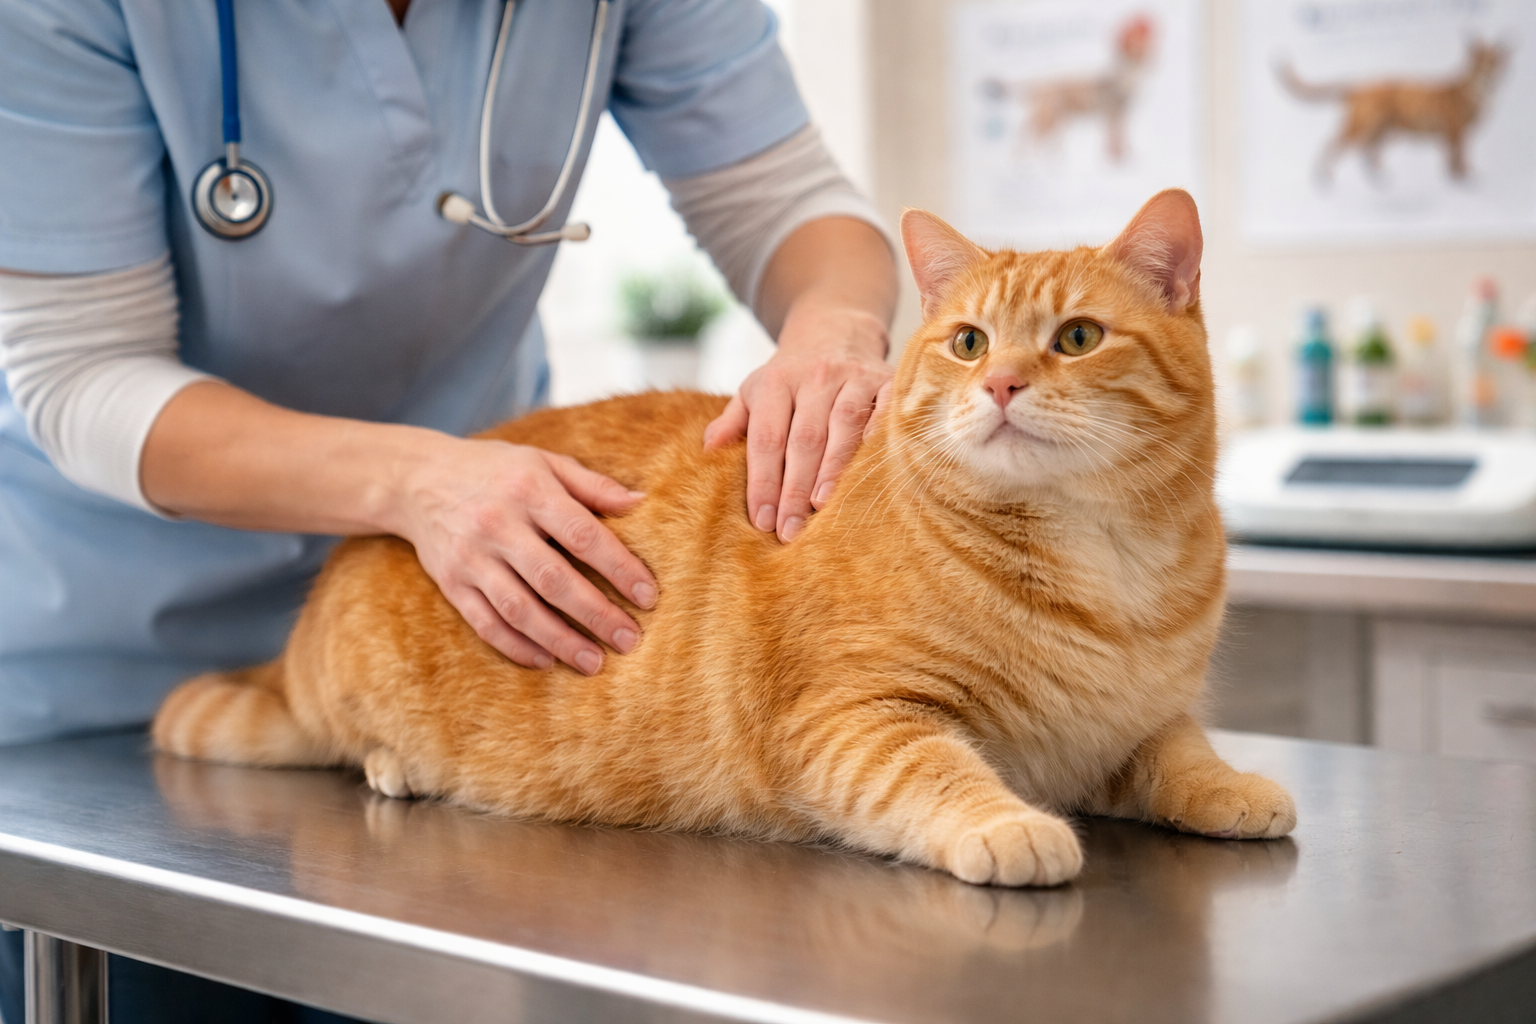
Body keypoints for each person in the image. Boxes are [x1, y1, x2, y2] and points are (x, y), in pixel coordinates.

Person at [0, 0, 897, 1019]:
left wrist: (834, 329)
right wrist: (417, 482)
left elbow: (785, 196)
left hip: (473, 663)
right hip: (105, 666)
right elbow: (82, 374)